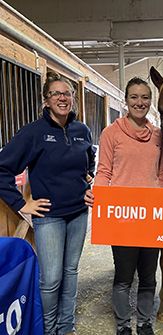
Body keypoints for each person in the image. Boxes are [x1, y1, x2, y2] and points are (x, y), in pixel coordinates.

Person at [0, 71, 96, 335]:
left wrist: (89, 184)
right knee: (51, 279)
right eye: (56, 94)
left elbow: (89, 163)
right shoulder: (33, 133)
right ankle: (48, 329)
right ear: (46, 100)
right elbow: (2, 169)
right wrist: (21, 204)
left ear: (73, 99)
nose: (62, 98)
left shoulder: (82, 130)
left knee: (71, 272)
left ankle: (67, 327)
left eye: (67, 93)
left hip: (78, 214)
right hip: (49, 217)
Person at [84, 77, 163, 335]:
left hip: (151, 216)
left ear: (150, 102)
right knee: (123, 277)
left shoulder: (157, 135)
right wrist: (97, 196)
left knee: (148, 276)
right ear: (126, 100)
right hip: (123, 217)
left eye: (145, 97)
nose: (140, 102)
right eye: (134, 97)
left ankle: (145, 323)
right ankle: (123, 325)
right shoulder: (111, 133)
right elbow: (104, 172)